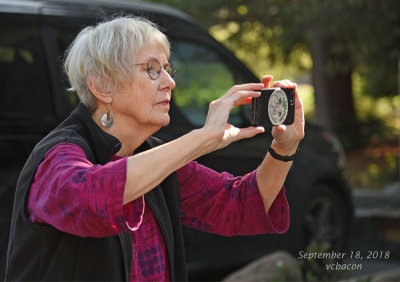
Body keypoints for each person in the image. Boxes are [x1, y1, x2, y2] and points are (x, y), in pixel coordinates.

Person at [5, 16, 304, 281]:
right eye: (151, 69)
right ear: (103, 86)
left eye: (166, 68)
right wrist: (200, 138)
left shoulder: (151, 156)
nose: (170, 82)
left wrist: (283, 148)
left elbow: (239, 205)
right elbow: (90, 196)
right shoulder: (58, 155)